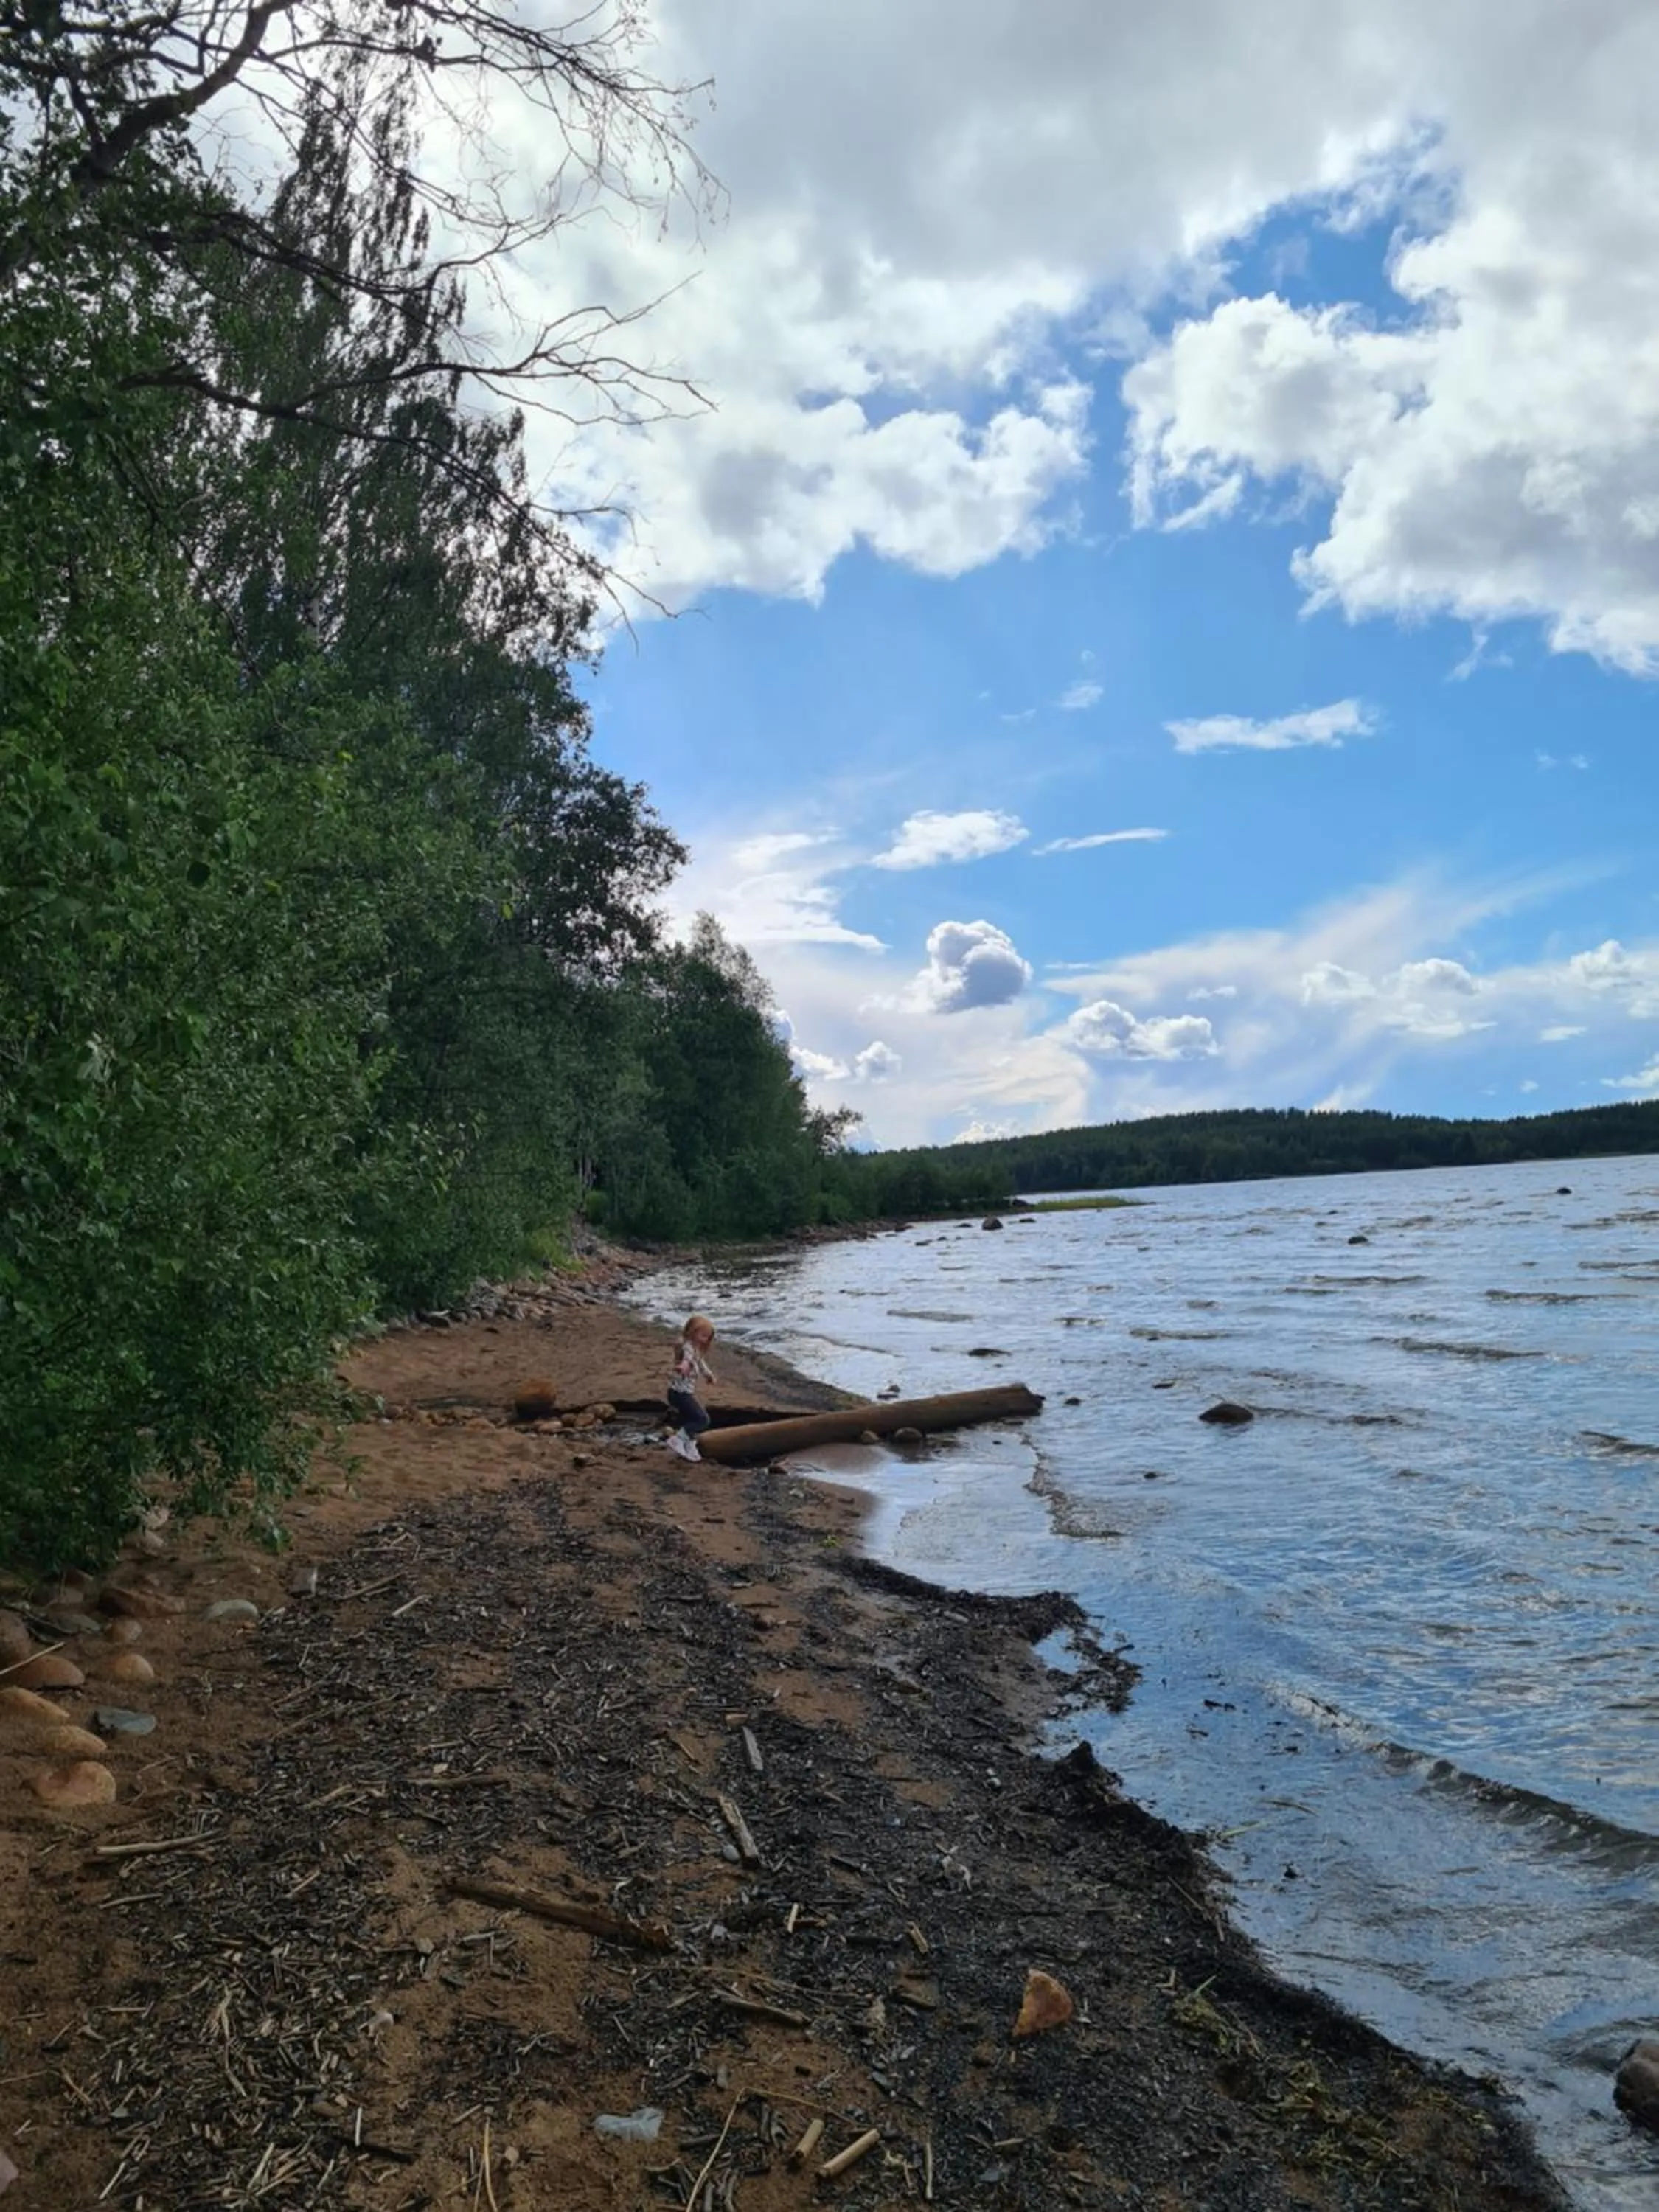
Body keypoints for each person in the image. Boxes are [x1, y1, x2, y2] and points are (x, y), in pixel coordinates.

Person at [665, 1312, 716, 1461]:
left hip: (682, 1392)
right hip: (679, 1393)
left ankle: (689, 1444)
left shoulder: (696, 1350)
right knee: (702, 1419)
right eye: (703, 1335)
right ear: (692, 1333)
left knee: (691, 1418)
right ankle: (678, 1439)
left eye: (708, 1336)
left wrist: (709, 1375)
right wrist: (683, 1366)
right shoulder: (687, 1347)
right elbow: (687, 1360)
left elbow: (700, 1363)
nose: (705, 1339)